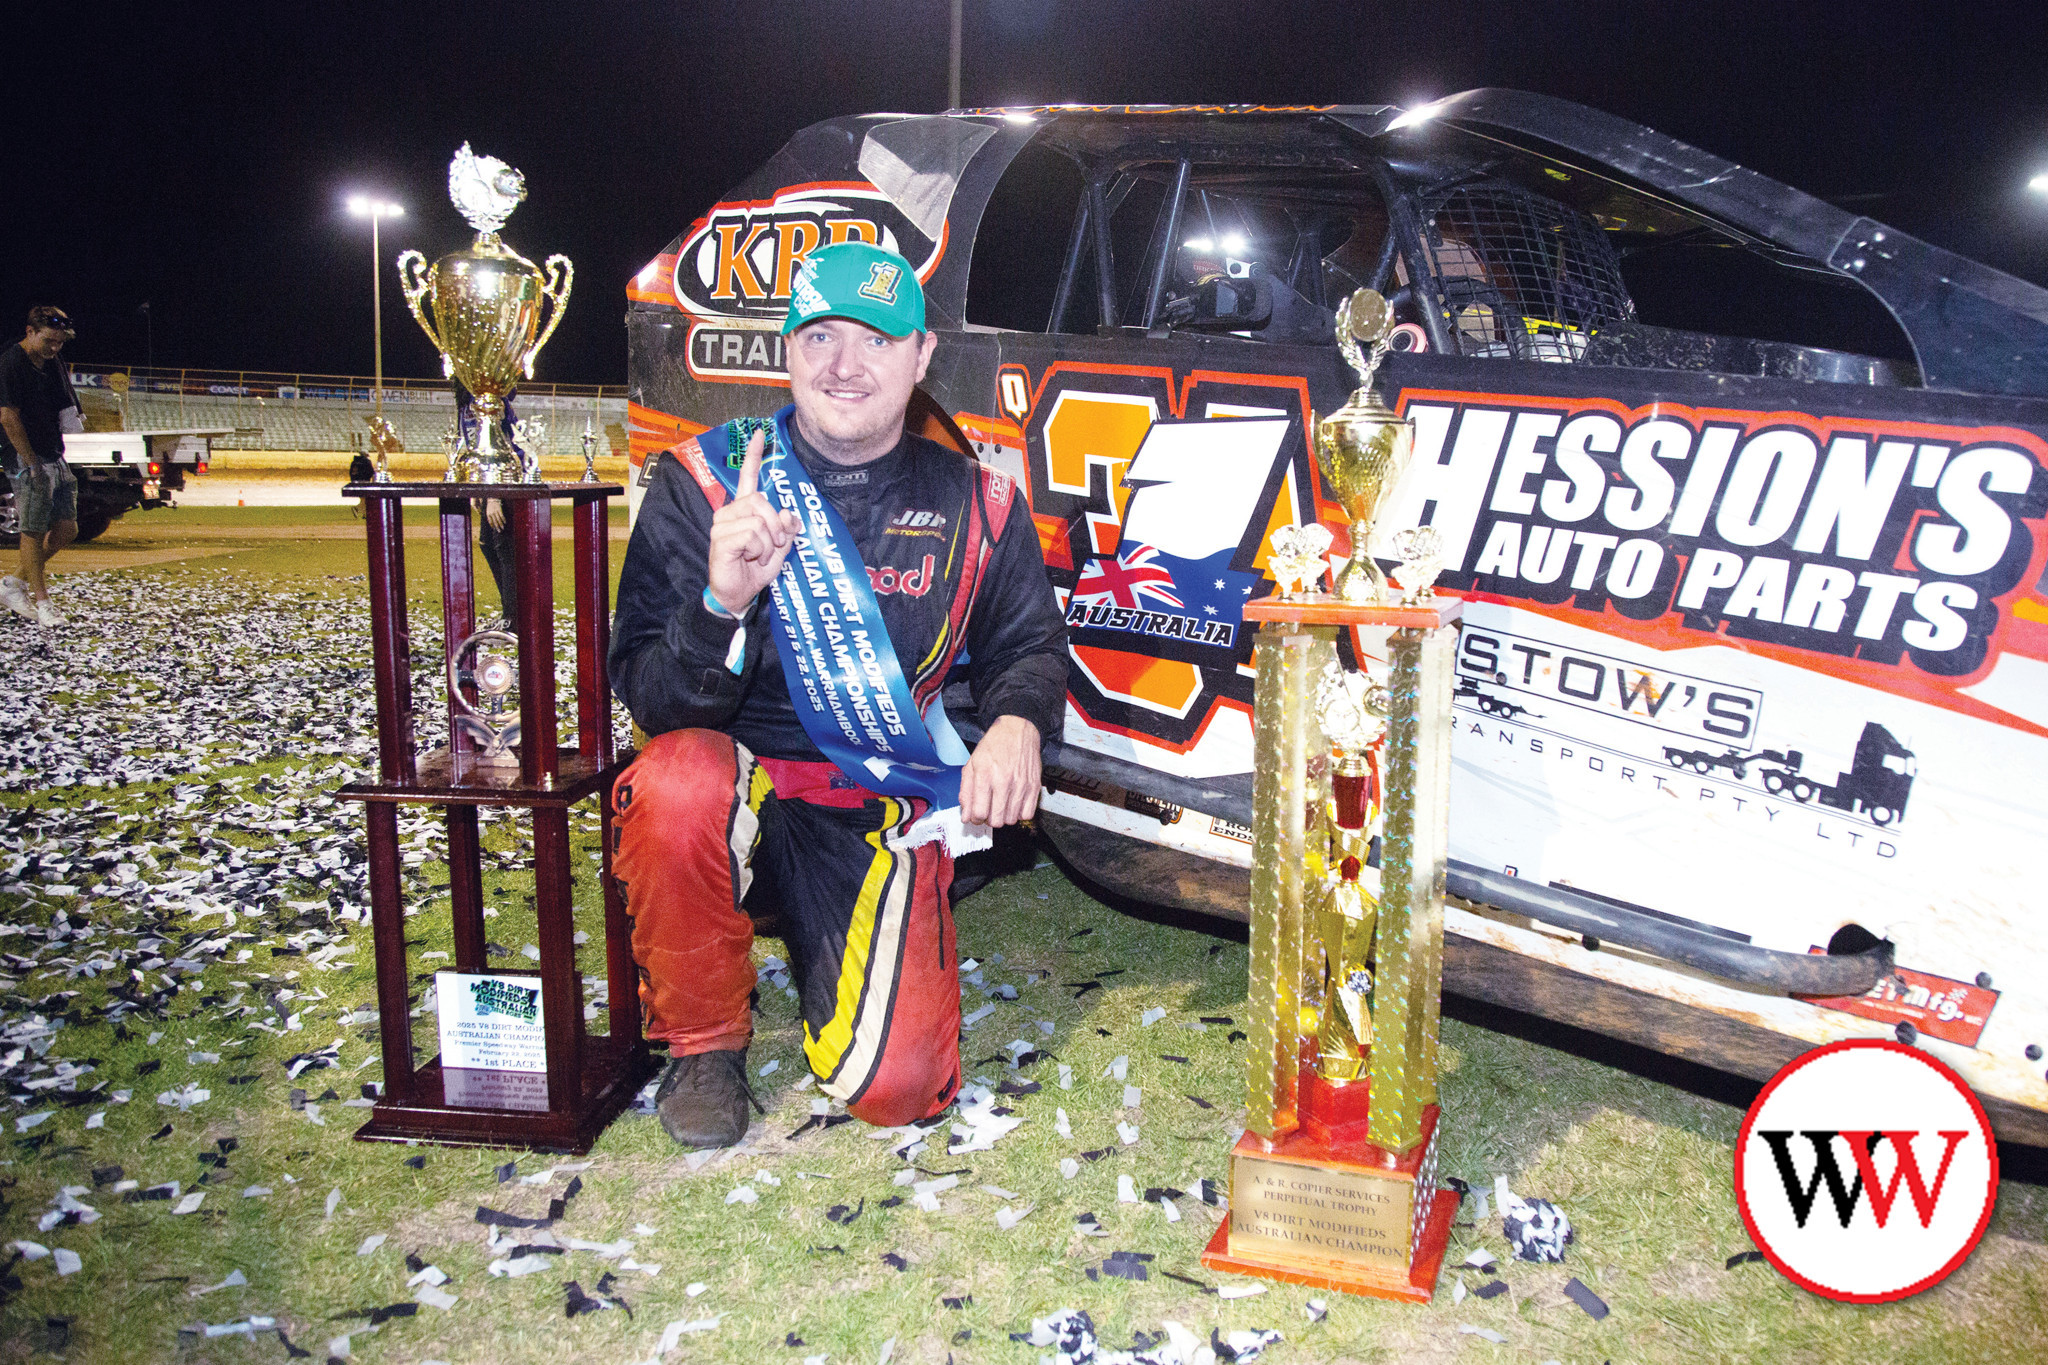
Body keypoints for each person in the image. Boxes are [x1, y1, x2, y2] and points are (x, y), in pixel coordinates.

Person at [608, 242, 1067, 1148]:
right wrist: (721, 605)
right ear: (786, 350)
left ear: (921, 357)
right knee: (676, 778)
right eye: (819, 336)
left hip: (874, 808)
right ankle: (704, 1042)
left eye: (875, 339)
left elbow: (1028, 645)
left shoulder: (981, 500)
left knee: (898, 1089)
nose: (844, 366)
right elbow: (652, 699)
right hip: (728, 789)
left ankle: (862, 930)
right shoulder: (703, 481)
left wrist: (1017, 721)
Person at [1, 307, 81, 628]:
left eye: (59, 343)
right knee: (32, 531)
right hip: (26, 458)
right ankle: (43, 602)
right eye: (49, 341)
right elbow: (8, 417)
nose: (54, 348)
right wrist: (30, 462)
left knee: (68, 529)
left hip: (53, 454)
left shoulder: (50, 363)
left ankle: (13, 584)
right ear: (30, 331)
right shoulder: (10, 363)